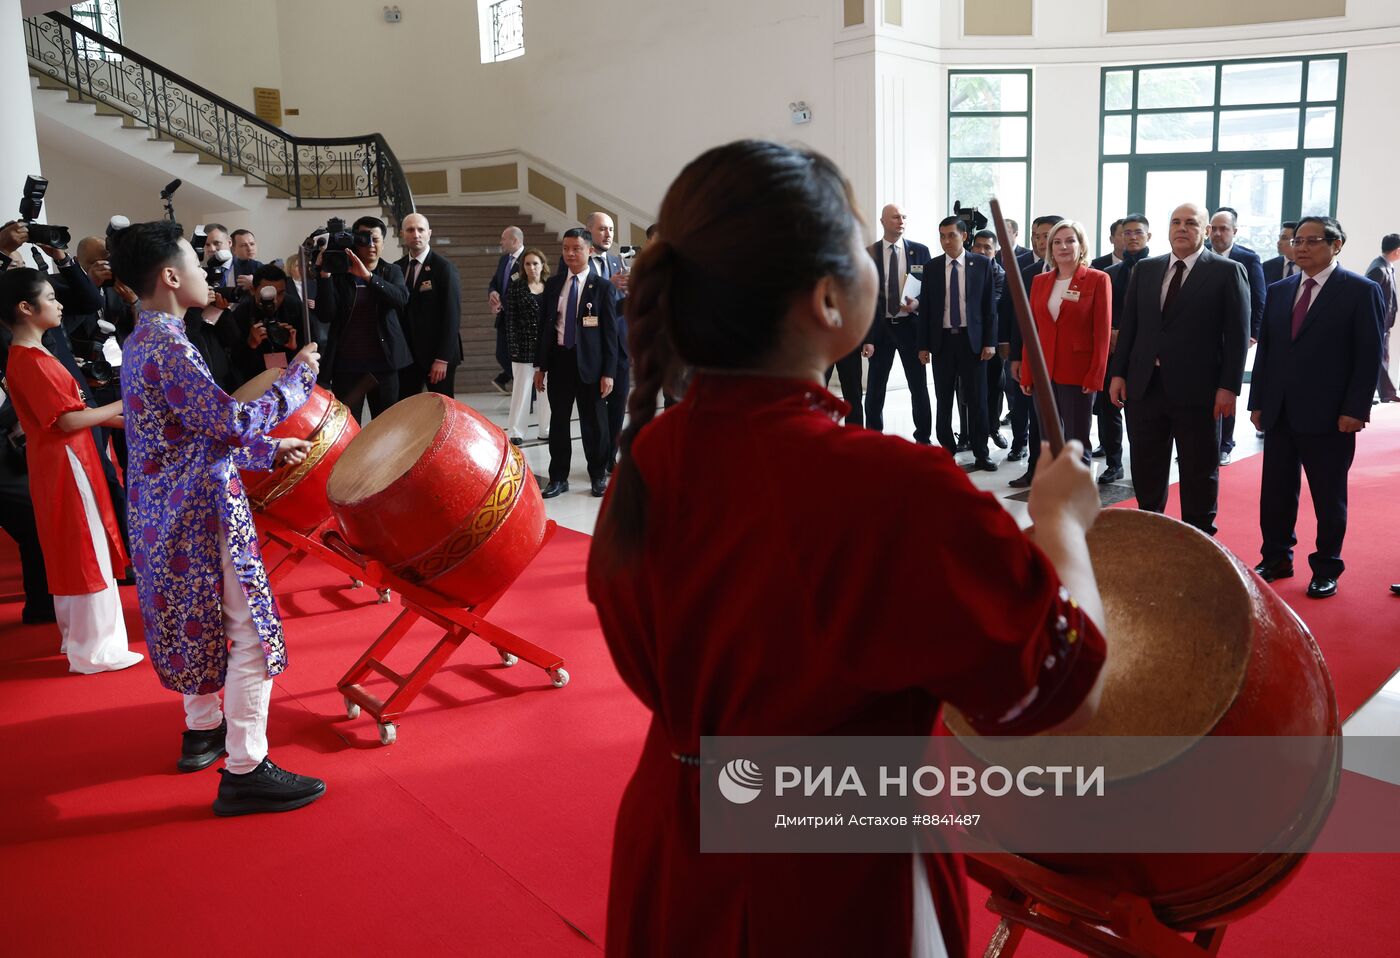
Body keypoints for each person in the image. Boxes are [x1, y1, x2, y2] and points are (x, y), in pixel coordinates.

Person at [586, 138, 1107, 958]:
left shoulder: (650, 455)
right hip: (829, 862)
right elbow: (1058, 688)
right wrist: (1063, 527)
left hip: (675, 834)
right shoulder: (887, 483)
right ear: (829, 299)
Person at [113, 219, 327, 814]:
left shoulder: (142, 340)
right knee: (249, 634)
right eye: (200, 264)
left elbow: (180, 433)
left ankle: (203, 729)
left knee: (197, 623)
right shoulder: (170, 345)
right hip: (202, 514)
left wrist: (264, 449)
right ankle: (245, 768)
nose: (211, 273)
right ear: (171, 276)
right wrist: (298, 380)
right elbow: (228, 423)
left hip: (164, 509)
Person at [0, 268, 141, 673]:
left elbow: (75, 415)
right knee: (84, 548)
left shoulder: (33, 354)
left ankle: (83, 639)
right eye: (49, 297)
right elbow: (67, 421)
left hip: (69, 460)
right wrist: (124, 404)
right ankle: (93, 647)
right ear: (26, 308)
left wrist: (129, 415)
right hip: (66, 463)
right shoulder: (31, 359)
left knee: (81, 547)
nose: (59, 302)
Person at [1249, 216, 1384, 600]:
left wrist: (1356, 409)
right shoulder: (1279, 290)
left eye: (1312, 240)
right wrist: (1257, 401)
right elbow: (1268, 354)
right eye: (1297, 240)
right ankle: (1276, 557)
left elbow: (1368, 356)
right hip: (1279, 412)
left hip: (1330, 415)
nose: (1301, 247)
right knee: (1275, 492)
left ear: (1336, 245)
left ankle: (1327, 566)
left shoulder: (1360, 290)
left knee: (1328, 496)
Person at [1108, 202, 1250, 537]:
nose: (1182, 228)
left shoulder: (1226, 271)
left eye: (1190, 223)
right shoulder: (1146, 269)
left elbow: (1237, 336)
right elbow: (1130, 327)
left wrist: (1228, 386)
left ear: (1205, 231)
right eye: (1176, 222)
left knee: (1198, 470)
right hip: (1145, 386)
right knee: (1146, 467)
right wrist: (1118, 373)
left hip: (1198, 390)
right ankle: (1150, 530)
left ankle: (1199, 538)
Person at [533, 228, 619, 499]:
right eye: (566, 248)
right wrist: (541, 366)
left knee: (594, 423)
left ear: (589, 251)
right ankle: (558, 477)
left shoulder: (602, 287)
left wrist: (608, 372)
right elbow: (546, 328)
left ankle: (596, 475)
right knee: (558, 422)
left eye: (576, 249)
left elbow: (610, 335)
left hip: (591, 365)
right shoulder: (555, 284)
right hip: (560, 361)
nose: (570, 254)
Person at [1018, 220, 1112, 462]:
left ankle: (1078, 495)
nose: (1064, 246)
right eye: (1057, 242)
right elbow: (1033, 331)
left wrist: (1096, 375)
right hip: (1043, 372)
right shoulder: (1040, 281)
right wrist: (1028, 373)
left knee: (1077, 441)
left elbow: (1102, 334)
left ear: (1081, 245)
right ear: (1050, 248)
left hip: (1077, 372)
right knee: (1049, 440)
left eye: (1070, 240)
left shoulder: (1098, 279)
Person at [313, 216, 411, 421]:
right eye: (364, 239)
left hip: (384, 365)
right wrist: (324, 277)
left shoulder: (391, 271)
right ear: (353, 241)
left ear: (383, 243)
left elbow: (400, 298)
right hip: (347, 366)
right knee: (347, 427)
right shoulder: (340, 274)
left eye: (375, 239)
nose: (371, 245)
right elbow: (325, 314)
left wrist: (368, 277)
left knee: (385, 428)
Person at [921, 216, 998, 470]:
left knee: (978, 399)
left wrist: (990, 342)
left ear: (964, 236)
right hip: (942, 342)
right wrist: (923, 345)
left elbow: (989, 308)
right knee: (943, 399)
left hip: (972, 341)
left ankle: (981, 451)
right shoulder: (932, 267)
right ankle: (946, 450)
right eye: (942, 236)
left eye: (951, 235)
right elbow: (927, 310)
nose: (946, 241)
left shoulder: (981, 264)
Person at [863, 203, 933, 444]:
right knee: (875, 387)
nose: (900, 221)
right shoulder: (869, 253)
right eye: (894, 217)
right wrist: (867, 338)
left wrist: (918, 303)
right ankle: (873, 436)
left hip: (910, 328)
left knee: (918, 386)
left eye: (903, 217)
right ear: (882, 221)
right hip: (881, 327)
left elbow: (931, 290)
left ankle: (923, 437)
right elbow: (865, 297)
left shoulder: (920, 252)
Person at [1007, 214, 1064, 488]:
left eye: (1046, 235)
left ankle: (1064, 475)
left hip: (1067, 360)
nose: (1041, 241)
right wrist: (1016, 356)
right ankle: (1035, 469)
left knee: (1066, 419)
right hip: (1034, 358)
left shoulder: (1080, 273)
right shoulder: (1028, 273)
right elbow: (1019, 320)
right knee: (1035, 414)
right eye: (1037, 236)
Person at [1094, 213, 1151, 485]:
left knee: (1140, 414)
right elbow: (1100, 313)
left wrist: (1128, 336)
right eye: (1126, 232)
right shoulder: (1109, 273)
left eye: (1137, 232)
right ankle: (1114, 463)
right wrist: (1111, 334)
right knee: (1108, 409)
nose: (1131, 237)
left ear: (1148, 236)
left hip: (1142, 353)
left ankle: (1144, 466)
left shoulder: (1157, 268)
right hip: (1112, 350)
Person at [1208, 208, 1267, 466]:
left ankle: (1225, 444)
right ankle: (1205, 441)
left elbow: (1258, 298)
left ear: (1235, 231)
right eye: (1213, 228)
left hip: (1233, 337)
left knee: (1227, 387)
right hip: (1202, 338)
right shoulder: (1201, 256)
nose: (1218, 233)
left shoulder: (1248, 258)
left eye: (1223, 229)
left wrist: (1252, 334)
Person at [395, 212, 463, 398]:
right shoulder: (397, 268)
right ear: (403, 234)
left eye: (420, 229)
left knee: (441, 409)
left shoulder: (444, 268)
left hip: (437, 357)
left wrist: (442, 359)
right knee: (407, 411)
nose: (415, 234)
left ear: (429, 233)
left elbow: (452, 316)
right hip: (408, 359)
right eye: (410, 230)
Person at [585, 212, 631, 471]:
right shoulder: (578, 261)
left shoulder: (617, 262)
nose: (608, 234)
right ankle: (596, 462)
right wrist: (608, 286)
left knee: (617, 408)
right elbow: (580, 302)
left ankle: (610, 459)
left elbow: (618, 309)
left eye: (611, 229)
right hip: (593, 348)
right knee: (594, 411)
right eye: (602, 229)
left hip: (620, 348)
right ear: (589, 230)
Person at [971, 229, 1013, 452]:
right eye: (978, 246)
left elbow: (995, 305)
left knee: (994, 386)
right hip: (968, 340)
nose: (982, 251)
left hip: (993, 340)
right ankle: (968, 434)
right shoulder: (964, 271)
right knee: (966, 390)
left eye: (987, 247)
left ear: (995, 251)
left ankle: (993, 428)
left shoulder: (1001, 275)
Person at [504, 248, 551, 443]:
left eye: (535, 263)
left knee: (547, 390)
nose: (532, 267)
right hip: (523, 346)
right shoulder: (516, 287)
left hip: (547, 347)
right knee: (522, 390)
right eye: (528, 264)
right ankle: (516, 431)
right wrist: (513, 347)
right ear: (523, 266)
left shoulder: (551, 286)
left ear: (542, 265)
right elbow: (510, 320)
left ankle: (546, 429)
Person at [488, 227, 525, 394]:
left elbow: (525, 288)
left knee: (518, 358)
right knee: (501, 354)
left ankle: (525, 392)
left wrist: (502, 301)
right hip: (504, 318)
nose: (501, 242)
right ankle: (523, 387)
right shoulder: (504, 260)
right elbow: (494, 282)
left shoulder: (529, 259)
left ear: (515, 241)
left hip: (520, 319)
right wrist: (493, 293)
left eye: (504, 239)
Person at [1364, 233, 1399, 403]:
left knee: (1382, 358)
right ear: (1397, 251)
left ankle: (1387, 393)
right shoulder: (1379, 268)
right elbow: (1367, 296)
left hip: (1384, 323)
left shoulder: (1386, 266)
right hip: (1376, 323)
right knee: (1374, 359)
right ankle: (1375, 394)